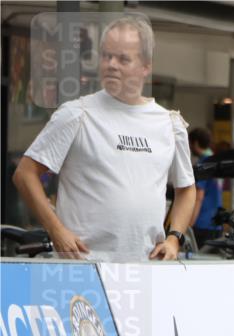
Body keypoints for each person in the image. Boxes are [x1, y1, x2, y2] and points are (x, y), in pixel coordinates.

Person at [12, 15, 195, 261]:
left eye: (123, 58)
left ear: (146, 66)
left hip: (147, 270)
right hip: (83, 268)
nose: (111, 64)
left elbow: (186, 189)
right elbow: (25, 174)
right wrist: (56, 230)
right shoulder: (76, 114)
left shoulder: (170, 124)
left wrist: (174, 239)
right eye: (106, 55)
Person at [188, 127, 222, 247]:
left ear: (195, 143)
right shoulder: (215, 161)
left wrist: (190, 223)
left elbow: (199, 197)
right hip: (216, 223)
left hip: (202, 223)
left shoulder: (203, 165)